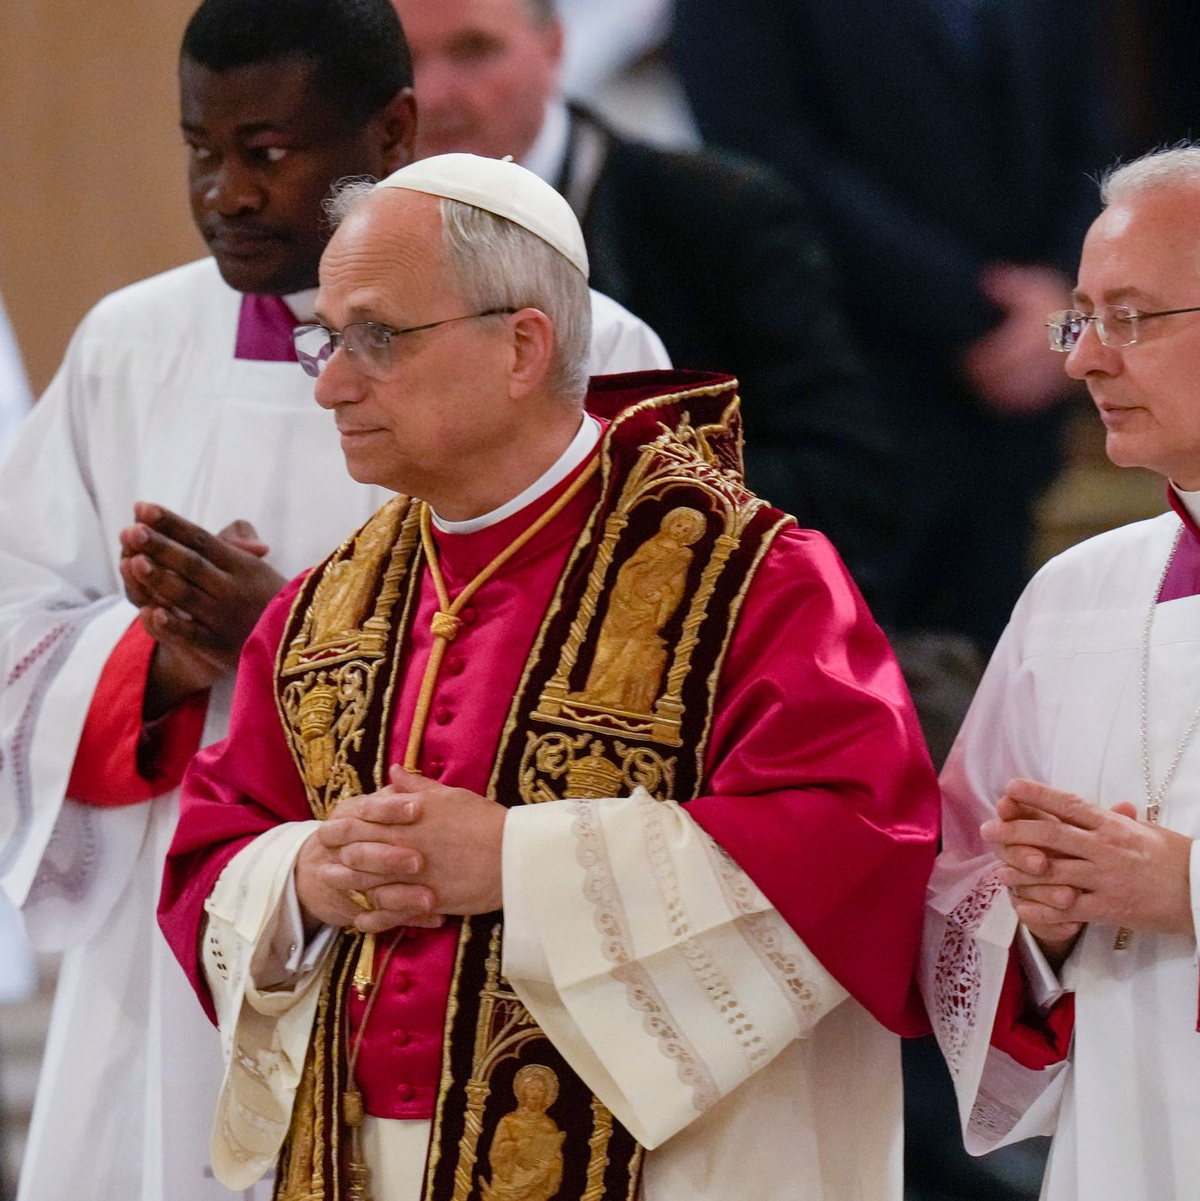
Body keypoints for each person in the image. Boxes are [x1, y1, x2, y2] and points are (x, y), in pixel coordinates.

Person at [159, 154, 939, 1200]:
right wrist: (305, 880)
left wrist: (515, 862)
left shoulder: (751, 575)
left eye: (376, 337)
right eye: (324, 337)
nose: (332, 382)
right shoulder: (323, 608)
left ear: (524, 346)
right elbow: (215, 844)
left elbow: (857, 847)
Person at [0, 1, 668, 1197]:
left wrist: (291, 641)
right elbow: (15, 616)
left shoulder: (576, 346)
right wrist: (152, 664)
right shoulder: (130, 342)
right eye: (203, 151)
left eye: (269, 154)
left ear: (394, 130)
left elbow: (639, 661)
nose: (228, 194)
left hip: (448, 936)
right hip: (176, 937)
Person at [395, 0, 900, 605]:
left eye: (474, 51)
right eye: (403, 60)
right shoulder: (327, 230)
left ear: (555, 48)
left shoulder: (714, 215)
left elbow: (849, 485)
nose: (434, 93)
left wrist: (599, 488)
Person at [925, 146, 1200, 1199]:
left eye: (1130, 317)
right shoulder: (1072, 600)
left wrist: (1184, 885)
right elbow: (961, 893)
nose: (1084, 359)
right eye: (1076, 317)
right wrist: (1036, 921)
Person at [672, 0, 1113, 653]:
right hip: (851, 411)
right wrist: (974, 313)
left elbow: (1095, 134)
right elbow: (766, 156)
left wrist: (1067, 300)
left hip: (1017, 419)